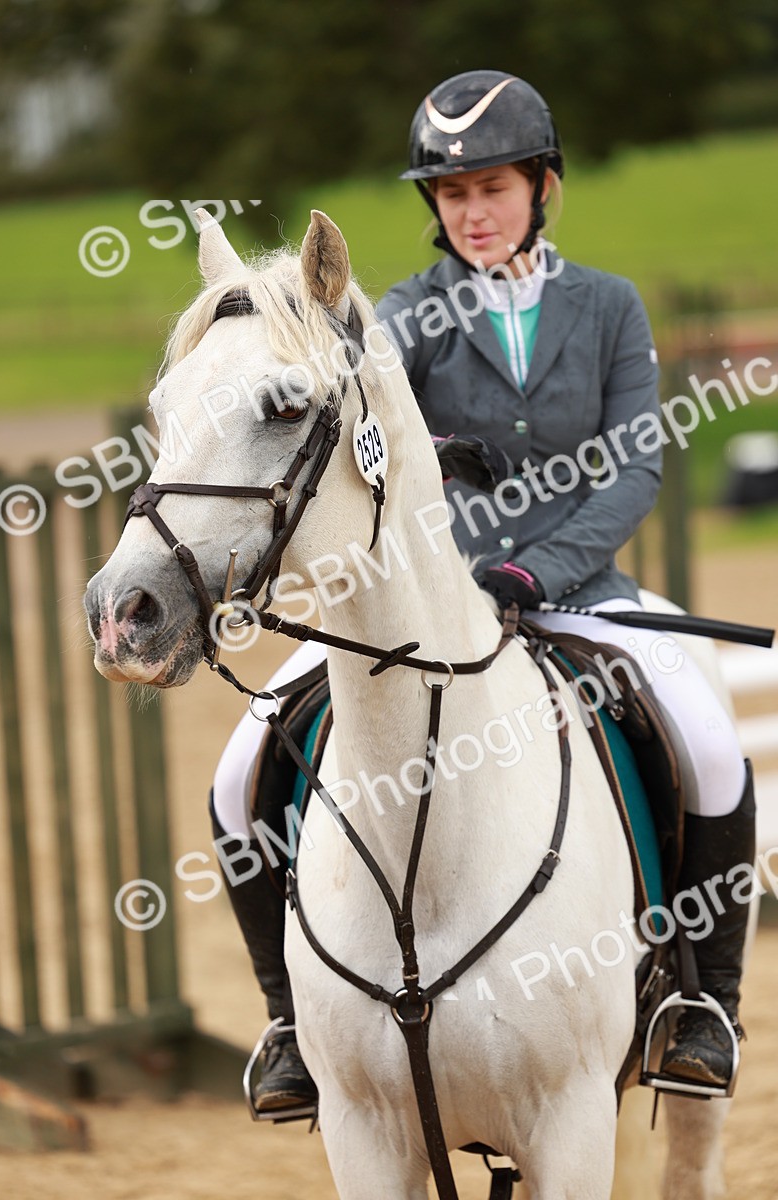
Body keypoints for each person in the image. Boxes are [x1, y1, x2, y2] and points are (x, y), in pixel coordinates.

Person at [210, 69, 755, 1111]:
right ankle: (290, 1025)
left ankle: (697, 1003)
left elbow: (632, 466)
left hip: (577, 590)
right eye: (451, 195)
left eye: (492, 188)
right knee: (241, 775)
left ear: (541, 187)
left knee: (707, 741)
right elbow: (372, 452)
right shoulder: (400, 321)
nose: (472, 212)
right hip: (427, 606)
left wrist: (533, 571)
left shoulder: (605, 306)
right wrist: (452, 570)